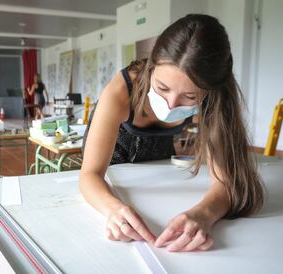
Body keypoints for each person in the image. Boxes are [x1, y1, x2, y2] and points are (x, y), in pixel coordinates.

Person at [80, 14, 264, 252]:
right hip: (108, 179)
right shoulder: (121, 90)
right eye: (162, 88)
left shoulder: (214, 98)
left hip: (156, 178)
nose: (170, 105)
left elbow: (226, 182)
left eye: (189, 97)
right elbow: (89, 174)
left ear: (210, 91)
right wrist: (112, 209)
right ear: (152, 68)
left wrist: (203, 214)